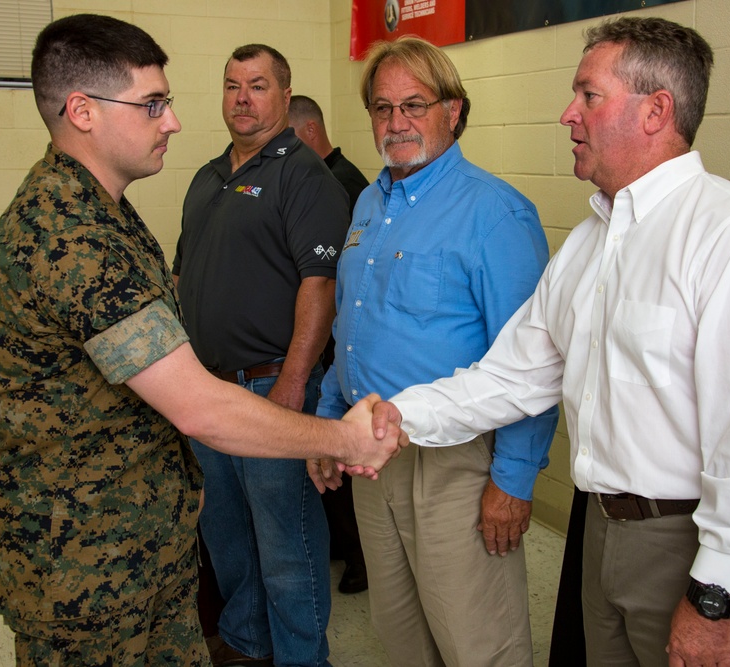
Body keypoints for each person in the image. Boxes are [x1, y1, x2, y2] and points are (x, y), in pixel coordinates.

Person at [371, 16, 730, 666]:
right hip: (606, 533)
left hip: (703, 544)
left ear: (655, 111)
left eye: (589, 95)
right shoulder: (590, 245)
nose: (567, 115)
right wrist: (394, 417)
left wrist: (715, 595)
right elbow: (511, 376)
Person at [0, 15, 405, 667]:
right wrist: (345, 438)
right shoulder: (71, 235)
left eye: (168, 102)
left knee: (286, 554)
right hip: (83, 563)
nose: (172, 120)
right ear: (83, 112)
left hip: (141, 539)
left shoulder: (106, 215)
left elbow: (311, 287)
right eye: (152, 104)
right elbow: (197, 405)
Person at [313, 36, 559, 667]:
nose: (396, 122)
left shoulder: (495, 214)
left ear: (453, 110)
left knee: (478, 642)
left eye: (414, 105)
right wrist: (325, 425)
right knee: (401, 635)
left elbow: (534, 363)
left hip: (456, 463)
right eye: (382, 107)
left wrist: (513, 480)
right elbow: (353, 323)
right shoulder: (371, 203)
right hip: (373, 453)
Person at [173, 45, 349, 667]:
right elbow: (184, 275)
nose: (242, 98)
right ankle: (248, 649)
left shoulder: (304, 176)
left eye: (257, 85)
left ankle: (303, 658)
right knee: (227, 541)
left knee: (287, 546)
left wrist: (294, 383)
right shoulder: (206, 177)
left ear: (283, 94)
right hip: (210, 395)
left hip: (271, 386)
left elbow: (319, 285)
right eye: (231, 85)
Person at [287, 93, 371, 596]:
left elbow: (338, 281)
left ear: (308, 133)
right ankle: (349, 549)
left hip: (338, 347)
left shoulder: (340, 184)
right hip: (335, 348)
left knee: (336, 457)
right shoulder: (340, 182)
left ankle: (357, 556)